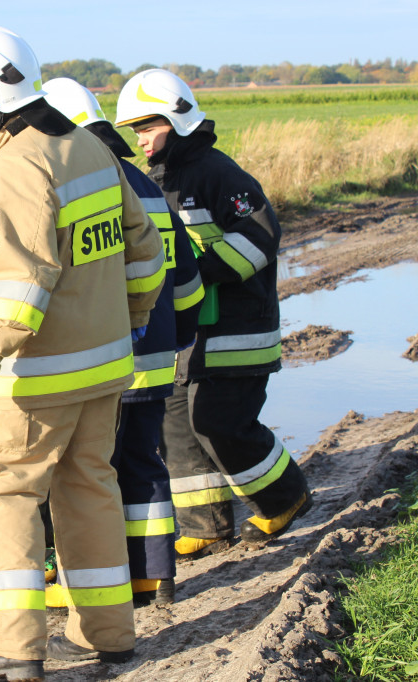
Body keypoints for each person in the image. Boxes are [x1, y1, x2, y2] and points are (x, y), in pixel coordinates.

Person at [0, 25, 166, 680]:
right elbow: (145, 250)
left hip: (36, 378)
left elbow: (22, 281)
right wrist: (137, 317)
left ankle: (15, 649)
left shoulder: (14, 169)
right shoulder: (87, 147)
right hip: (105, 369)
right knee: (90, 490)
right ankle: (111, 635)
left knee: (0, 492)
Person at [115, 69, 312, 561]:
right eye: (134, 131)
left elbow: (261, 236)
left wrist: (197, 274)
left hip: (238, 330)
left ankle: (285, 496)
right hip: (193, 332)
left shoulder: (217, 173)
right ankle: (204, 524)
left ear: (177, 120)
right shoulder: (160, 181)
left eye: (147, 128)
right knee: (177, 425)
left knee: (221, 422)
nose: (140, 141)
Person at [41, 78, 203, 607]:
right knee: (143, 461)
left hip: (99, 362)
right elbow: (183, 278)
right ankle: (154, 576)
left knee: (88, 473)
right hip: (154, 357)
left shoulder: (72, 185)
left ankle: (95, 587)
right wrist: (175, 338)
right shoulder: (147, 185)